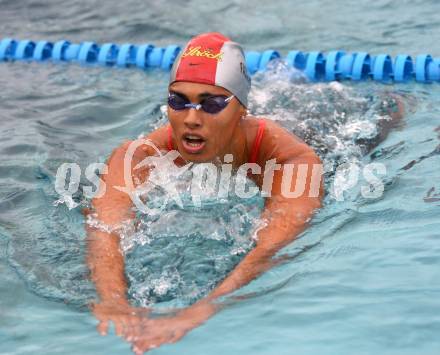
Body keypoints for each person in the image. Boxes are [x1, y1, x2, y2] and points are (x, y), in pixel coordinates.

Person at [85, 32, 403, 354]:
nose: (191, 119)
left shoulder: (292, 159)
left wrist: (202, 309)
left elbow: (271, 246)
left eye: (211, 104)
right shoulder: (140, 155)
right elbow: (104, 229)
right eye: (178, 101)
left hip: (329, 126)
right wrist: (112, 300)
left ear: (240, 110)